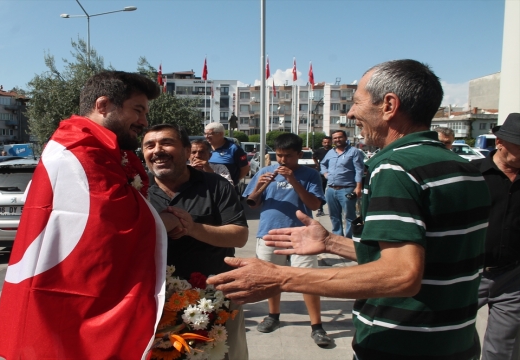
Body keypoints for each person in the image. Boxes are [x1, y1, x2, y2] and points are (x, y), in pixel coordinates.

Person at [208, 59, 491, 359]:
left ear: (389, 106)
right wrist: (332, 243)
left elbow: (401, 274)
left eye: (356, 102)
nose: (351, 112)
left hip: (400, 343)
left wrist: (281, 277)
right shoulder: (465, 168)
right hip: (456, 341)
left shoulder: (395, 167)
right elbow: (424, 255)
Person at [0, 71, 180, 359]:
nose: (143, 122)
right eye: (137, 110)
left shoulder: (91, 144)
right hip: (68, 301)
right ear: (103, 105)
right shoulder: (80, 149)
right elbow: (110, 220)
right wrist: (167, 221)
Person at [142, 124, 250, 359]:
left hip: (215, 299)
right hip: (155, 306)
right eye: (149, 145)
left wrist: (191, 228)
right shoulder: (137, 190)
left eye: (166, 143)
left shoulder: (216, 185)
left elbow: (239, 235)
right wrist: (160, 225)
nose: (157, 150)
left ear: (187, 150)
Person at [243, 133, 330, 347]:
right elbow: (252, 203)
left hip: (301, 234)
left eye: (288, 156)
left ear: (299, 154)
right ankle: (273, 315)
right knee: (272, 279)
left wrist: (293, 180)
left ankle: (317, 326)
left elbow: (315, 204)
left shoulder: (310, 175)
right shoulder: (265, 171)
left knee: (307, 280)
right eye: (279, 156)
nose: (282, 161)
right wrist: (258, 187)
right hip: (270, 232)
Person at [471, 113, 520, 360]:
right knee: (451, 338)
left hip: (512, 277)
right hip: (469, 274)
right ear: (499, 141)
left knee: (502, 349)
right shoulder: (470, 175)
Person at [319, 130, 364, 238]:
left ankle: (349, 239)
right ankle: (337, 237)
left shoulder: (354, 152)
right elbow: (322, 164)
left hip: (347, 189)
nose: (337, 140)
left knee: (349, 216)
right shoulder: (330, 152)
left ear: (345, 138)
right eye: (335, 138)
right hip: (331, 190)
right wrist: (325, 174)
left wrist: (358, 187)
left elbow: (359, 170)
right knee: (334, 216)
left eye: (340, 137)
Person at [312, 136, 332, 216]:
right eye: (325, 142)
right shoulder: (319, 151)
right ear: (322, 143)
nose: (326, 144)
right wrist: (317, 165)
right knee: (321, 191)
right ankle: (320, 209)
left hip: (332, 174)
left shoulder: (334, 151)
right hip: (322, 174)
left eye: (328, 142)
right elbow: (314, 157)